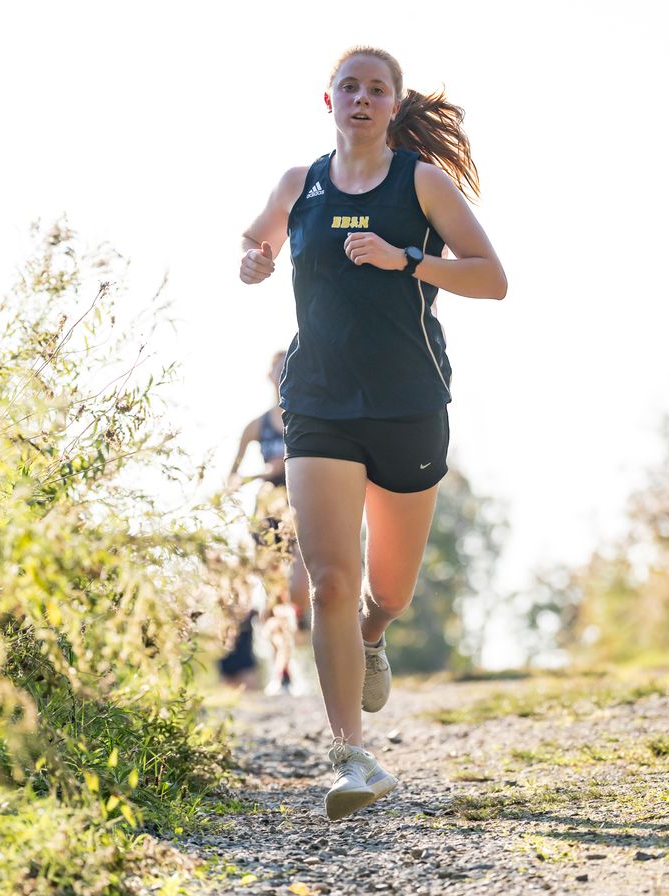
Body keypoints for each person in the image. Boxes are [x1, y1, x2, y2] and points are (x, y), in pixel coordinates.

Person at [237, 46, 506, 820]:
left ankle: (375, 633)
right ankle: (352, 754)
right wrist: (254, 262)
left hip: (408, 404)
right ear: (328, 101)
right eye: (348, 87)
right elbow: (256, 241)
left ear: (394, 105)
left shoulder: (420, 182)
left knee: (386, 591)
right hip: (318, 403)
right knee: (328, 578)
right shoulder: (302, 184)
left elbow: (492, 277)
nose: (361, 98)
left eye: (376, 89)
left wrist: (408, 259)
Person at [226, 350, 311, 695]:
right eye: (278, 370)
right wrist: (267, 471)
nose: (282, 375)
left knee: (303, 588)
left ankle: (299, 644)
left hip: (305, 510)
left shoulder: (308, 418)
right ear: (269, 377)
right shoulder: (256, 426)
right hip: (268, 516)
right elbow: (232, 478)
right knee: (275, 594)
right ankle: (284, 670)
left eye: (288, 369)